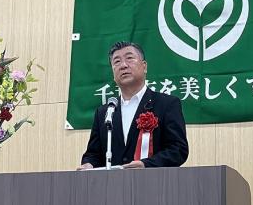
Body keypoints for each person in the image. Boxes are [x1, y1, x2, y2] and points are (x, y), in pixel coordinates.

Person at [78, 41, 189, 169]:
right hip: (112, 181)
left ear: (144, 66)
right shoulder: (105, 112)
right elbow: (93, 154)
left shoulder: (167, 104)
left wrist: (147, 164)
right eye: (117, 61)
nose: (123, 65)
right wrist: (89, 164)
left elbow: (178, 150)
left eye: (129, 58)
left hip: (154, 180)